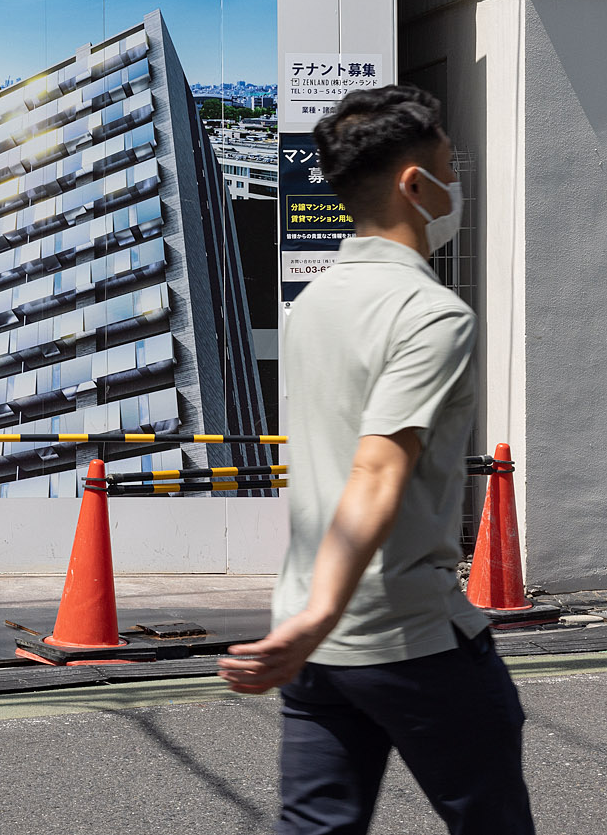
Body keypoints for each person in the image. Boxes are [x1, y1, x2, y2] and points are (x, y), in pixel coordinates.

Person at [219, 85, 535, 834]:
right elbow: (376, 469)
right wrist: (324, 614)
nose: (456, 185)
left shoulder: (313, 304)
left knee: (316, 826)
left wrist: (313, 619)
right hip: (406, 630)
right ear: (414, 186)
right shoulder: (432, 314)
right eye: (450, 169)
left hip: (312, 632)